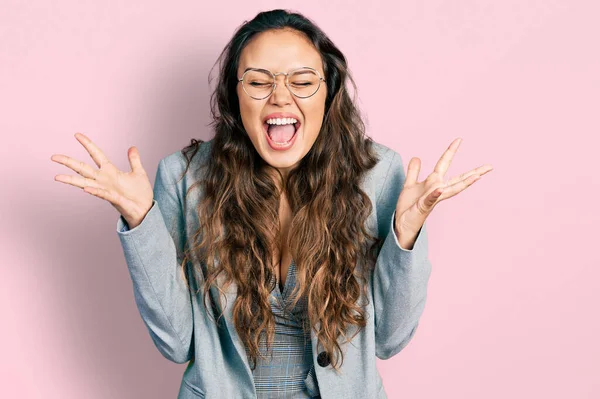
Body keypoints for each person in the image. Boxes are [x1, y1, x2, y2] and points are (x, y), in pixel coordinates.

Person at [50, 8, 492, 399]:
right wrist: (140, 221)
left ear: (328, 93)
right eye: (259, 82)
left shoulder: (378, 176)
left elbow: (389, 341)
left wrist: (406, 235)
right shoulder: (184, 179)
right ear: (234, 95)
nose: (280, 97)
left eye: (302, 81)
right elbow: (176, 342)